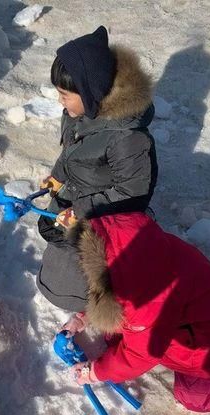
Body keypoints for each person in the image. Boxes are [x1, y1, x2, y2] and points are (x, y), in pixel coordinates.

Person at [63, 212, 210, 413]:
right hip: (177, 312)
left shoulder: (145, 298)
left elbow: (139, 354)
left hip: (202, 332)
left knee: (197, 399)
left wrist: (95, 372)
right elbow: (105, 286)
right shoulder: (123, 243)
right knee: (112, 336)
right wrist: (86, 316)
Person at [36, 26, 158, 312]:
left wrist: (83, 210)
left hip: (110, 214)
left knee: (85, 285)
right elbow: (71, 151)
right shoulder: (78, 113)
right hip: (81, 196)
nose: (60, 101)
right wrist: (58, 176)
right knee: (57, 270)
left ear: (90, 92)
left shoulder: (126, 137)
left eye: (65, 94)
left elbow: (133, 192)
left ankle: (95, 306)